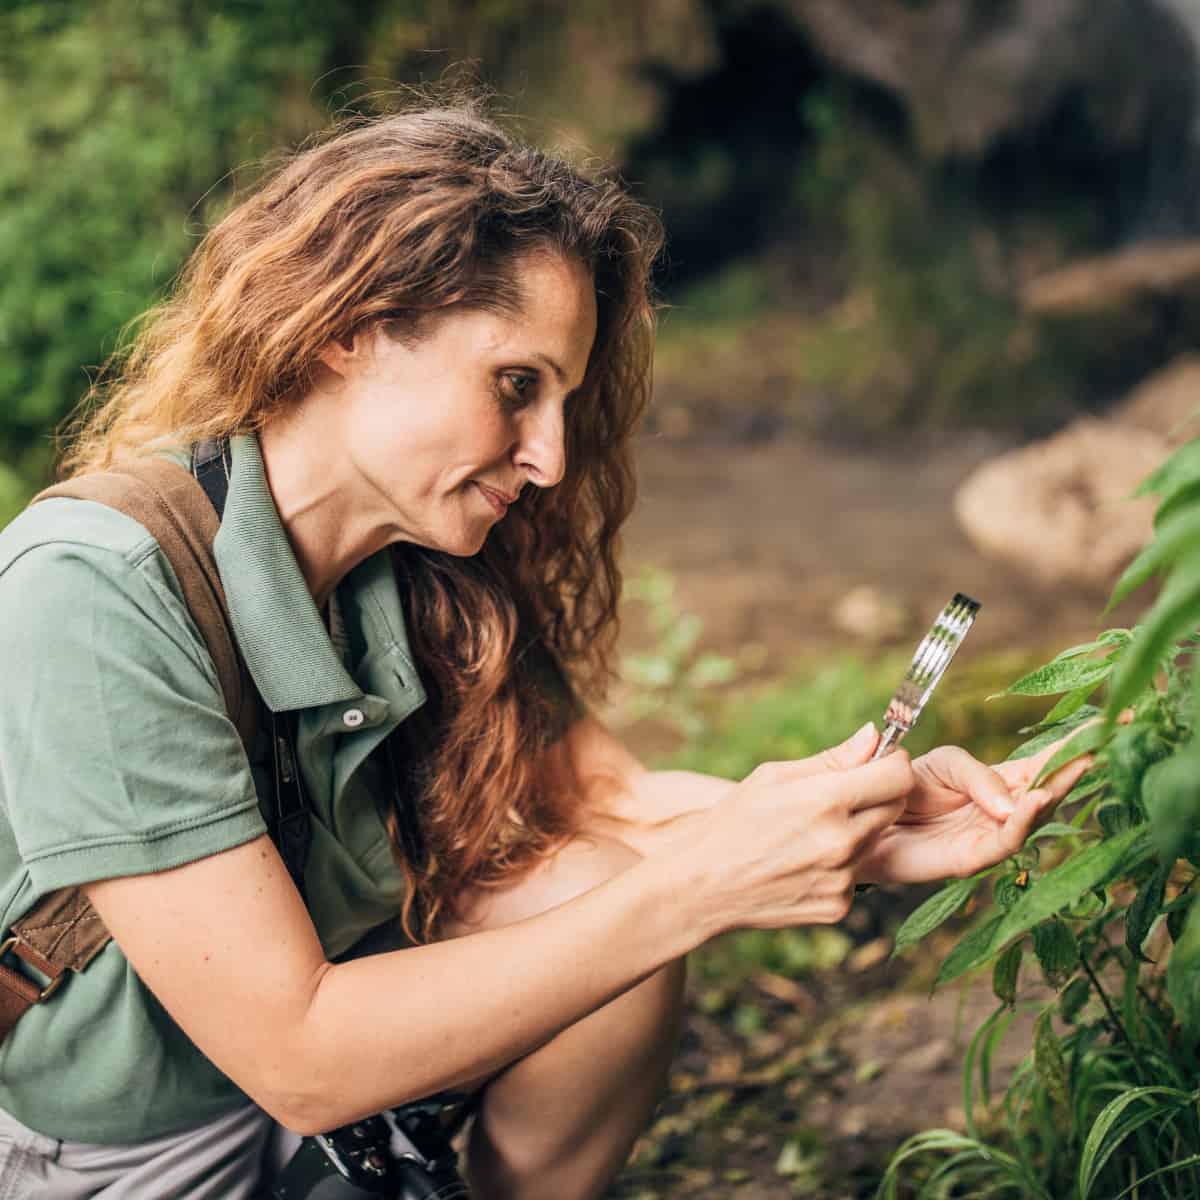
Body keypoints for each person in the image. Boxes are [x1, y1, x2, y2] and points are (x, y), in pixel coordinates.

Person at [0, 98, 1090, 1200]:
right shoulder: (97, 589)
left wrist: (859, 824)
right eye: (516, 386)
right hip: (121, 1155)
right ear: (350, 327)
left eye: (562, 400)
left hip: (326, 1093)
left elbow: (612, 804)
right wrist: (707, 886)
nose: (552, 460)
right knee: (624, 913)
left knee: (589, 886)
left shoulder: (418, 560)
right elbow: (303, 1057)